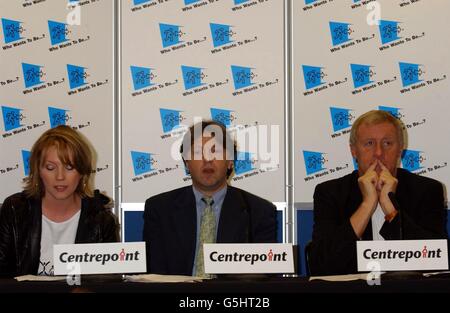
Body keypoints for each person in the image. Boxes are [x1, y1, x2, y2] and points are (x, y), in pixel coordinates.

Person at [309, 110, 448, 276]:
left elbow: (436, 259)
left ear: (400, 149)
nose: (379, 153)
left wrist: (390, 207)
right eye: (369, 143)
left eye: (387, 143)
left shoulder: (426, 190)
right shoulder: (330, 193)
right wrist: (367, 204)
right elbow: (321, 265)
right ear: (354, 151)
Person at [143, 120, 277, 276]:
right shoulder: (159, 210)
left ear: (230, 162)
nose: (208, 159)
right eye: (199, 152)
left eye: (215, 151)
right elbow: (155, 274)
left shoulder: (258, 212)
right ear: (186, 162)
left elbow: (263, 277)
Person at [0, 125, 119, 277]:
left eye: (69, 167)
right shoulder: (15, 210)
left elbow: (105, 283)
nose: (60, 177)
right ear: (38, 171)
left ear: (82, 172)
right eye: (50, 168)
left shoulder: (101, 220)